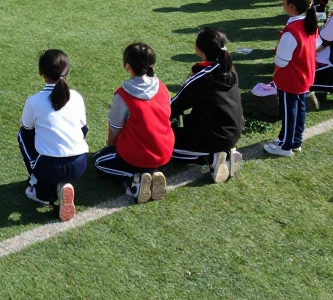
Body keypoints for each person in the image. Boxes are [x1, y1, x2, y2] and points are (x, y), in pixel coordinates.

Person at [92, 43, 172, 203]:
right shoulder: (162, 87)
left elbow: (114, 129)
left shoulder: (123, 95)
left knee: (99, 161)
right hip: (165, 154)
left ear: (127, 65)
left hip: (137, 157)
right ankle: (153, 171)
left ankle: (135, 179)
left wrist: (111, 146)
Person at [18, 49, 88, 222]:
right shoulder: (77, 97)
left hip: (49, 168)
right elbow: (84, 130)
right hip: (79, 164)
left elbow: (26, 131)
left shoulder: (34, 101)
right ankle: (63, 185)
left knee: (23, 135)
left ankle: (40, 188)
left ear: (41, 73)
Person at [169, 28, 243, 183]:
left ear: (198, 49)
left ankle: (211, 157)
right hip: (233, 132)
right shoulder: (230, 69)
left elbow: (174, 106)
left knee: (158, 147)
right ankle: (224, 153)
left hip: (212, 136)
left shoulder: (202, 76)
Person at [263, 0, 318, 158]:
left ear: (291, 6)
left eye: (284, 0)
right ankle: (295, 141)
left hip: (291, 79)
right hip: (304, 76)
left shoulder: (291, 31)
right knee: (299, 110)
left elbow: (281, 60)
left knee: (289, 112)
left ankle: (285, 146)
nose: (282, 2)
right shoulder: (308, 24)